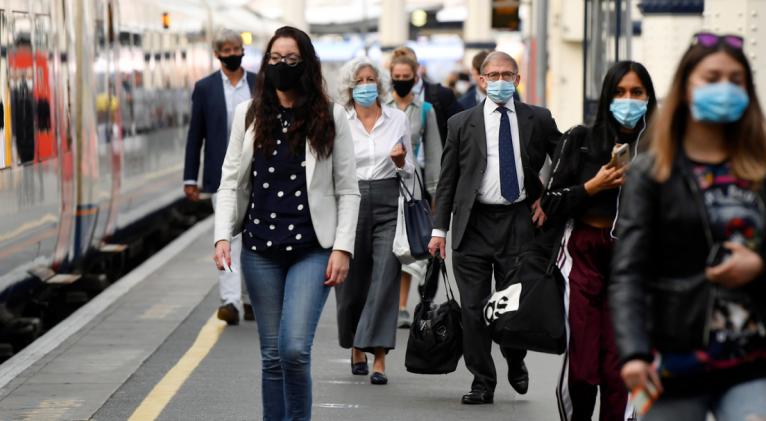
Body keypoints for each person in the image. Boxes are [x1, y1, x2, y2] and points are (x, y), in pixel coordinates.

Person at [610, 32, 766, 420]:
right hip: (672, 360)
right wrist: (633, 352)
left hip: (752, 360)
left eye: (735, 80)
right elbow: (629, 270)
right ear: (685, 88)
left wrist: (760, 266)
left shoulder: (760, 170)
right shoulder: (653, 172)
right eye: (711, 79)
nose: (725, 89)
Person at [213, 26, 360, 420]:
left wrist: (343, 247)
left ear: (307, 64)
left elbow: (348, 189)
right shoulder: (248, 115)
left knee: (294, 348)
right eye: (275, 59)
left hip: (312, 249)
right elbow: (230, 181)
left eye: (291, 60)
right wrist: (222, 236)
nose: (282, 66)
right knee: (272, 356)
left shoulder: (331, 116)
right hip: (260, 251)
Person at [429, 51, 560, 404]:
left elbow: (563, 157)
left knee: (510, 307)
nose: (500, 81)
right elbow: (447, 180)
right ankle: (482, 381)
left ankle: (515, 359)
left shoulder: (539, 119)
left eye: (507, 74)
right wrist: (438, 230)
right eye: (493, 75)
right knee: (473, 310)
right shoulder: (460, 123)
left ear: (517, 80)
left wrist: (547, 197)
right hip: (472, 225)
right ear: (481, 80)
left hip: (518, 223)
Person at [541, 61, 657, 421]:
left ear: (649, 98)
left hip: (635, 261)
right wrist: (594, 186)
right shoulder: (580, 139)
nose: (628, 100)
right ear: (607, 97)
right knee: (581, 365)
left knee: (620, 363)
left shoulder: (659, 147)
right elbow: (548, 203)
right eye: (620, 92)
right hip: (583, 255)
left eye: (636, 93)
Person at [334, 56, 414, 386]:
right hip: (349, 201)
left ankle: (379, 356)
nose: (366, 86)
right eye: (360, 81)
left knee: (385, 278)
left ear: (380, 84)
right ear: (349, 87)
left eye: (371, 80)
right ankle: (356, 344)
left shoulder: (397, 119)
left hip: (388, 200)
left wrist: (400, 161)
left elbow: (410, 172)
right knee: (351, 282)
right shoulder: (339, 120)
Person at [184, 29, 257, 325]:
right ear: (217, 54)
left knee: (256, 238)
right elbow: (195, 135)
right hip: (220, 175)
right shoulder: (205, 88)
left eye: (236, 48)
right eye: (225, 49)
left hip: (257, 172)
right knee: (226, 238)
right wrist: (191, 177)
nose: (231, 53)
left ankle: (252, 298)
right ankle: (230, 300)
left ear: (243, 51)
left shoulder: (258, 84)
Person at [385, 49, 443, 329]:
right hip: (382, 180)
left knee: (408, 245)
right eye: (396, 77)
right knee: (384, 244)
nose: (401, 81)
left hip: (412, 182)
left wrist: (435, 195)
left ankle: (401, 305)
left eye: (406, 77)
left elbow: (433, 154)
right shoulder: (381, 105)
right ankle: (385, 301)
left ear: (415, 76)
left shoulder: (425, 110)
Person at [392, 46, 463, 146]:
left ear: (416, 67)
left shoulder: (441, 95)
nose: (403, 72)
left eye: (407, 64)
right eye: (398, 73)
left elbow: (461, 129)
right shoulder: (385, 100)